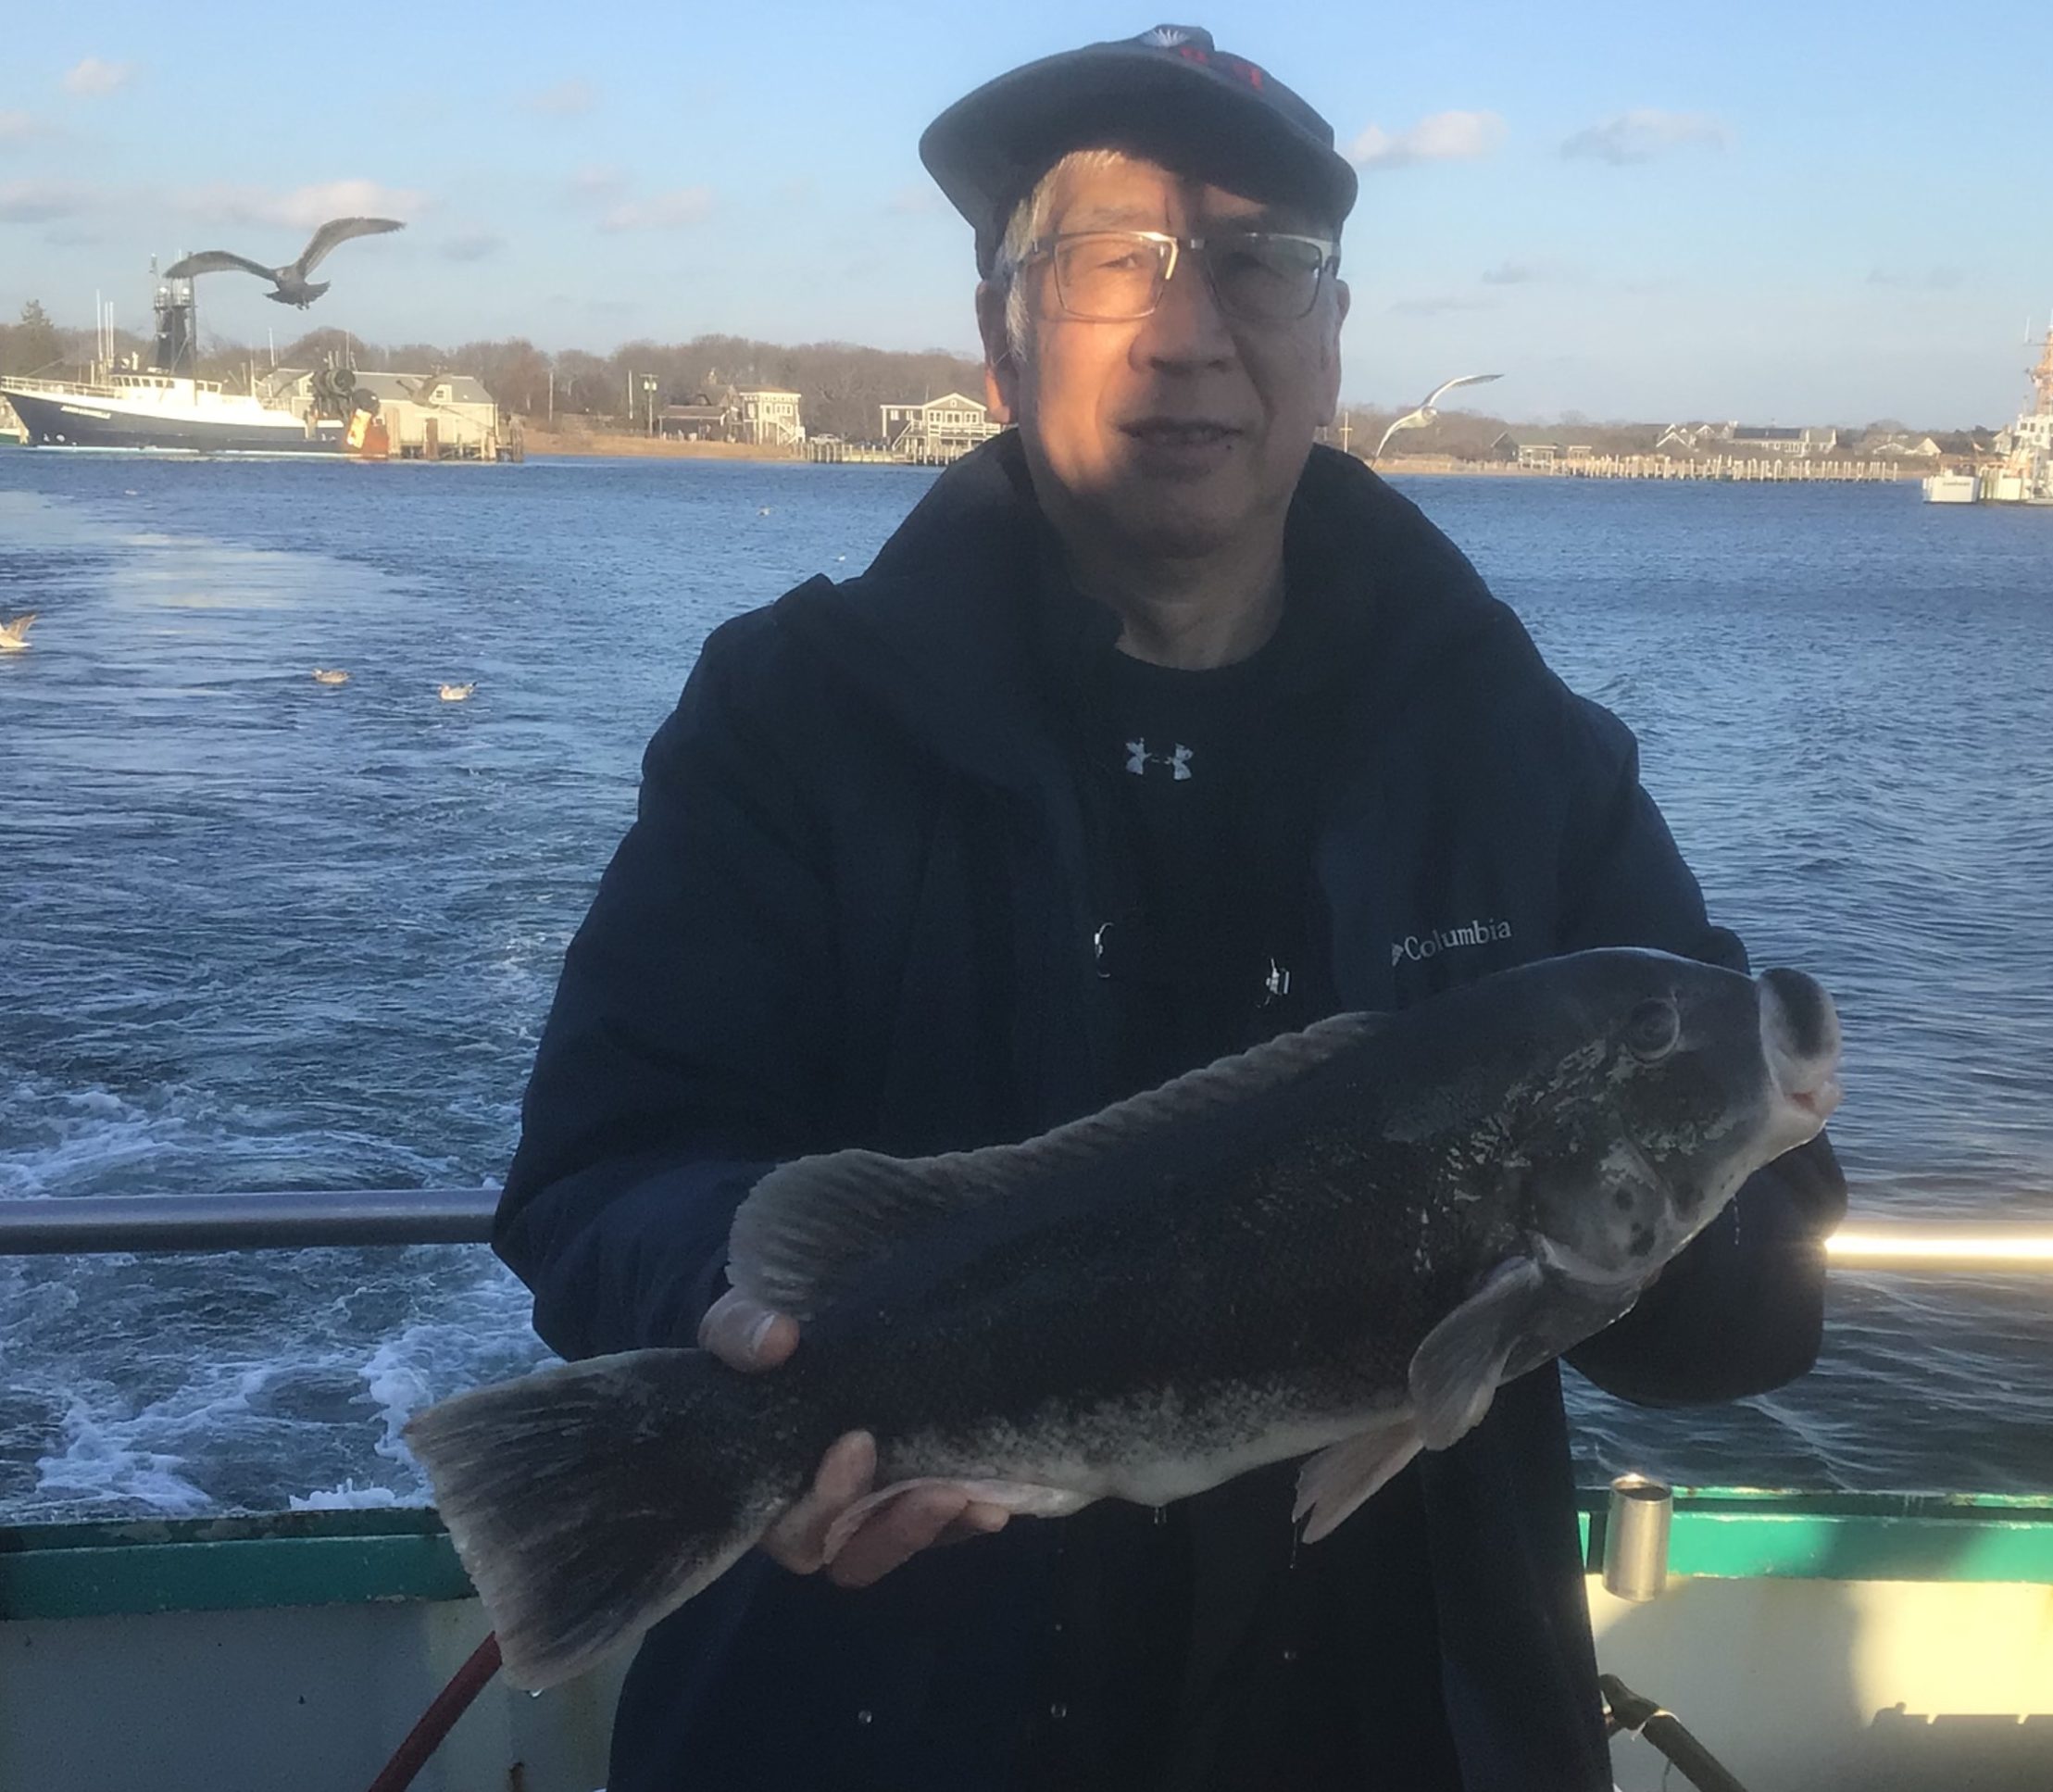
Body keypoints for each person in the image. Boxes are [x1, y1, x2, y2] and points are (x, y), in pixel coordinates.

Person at [493, 24, 1846, 1791]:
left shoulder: (1520, 749)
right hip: (869, 1716)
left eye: (1261, 263)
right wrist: (738, 1323)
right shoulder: (791, 718)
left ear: (1332, 341)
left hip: (1402, 1731)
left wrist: (1607, 1237)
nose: (1191, 329)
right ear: (1000, 340)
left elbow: (1765, 1307)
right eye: (1111, 262)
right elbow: (603, 1170)